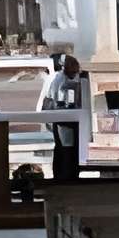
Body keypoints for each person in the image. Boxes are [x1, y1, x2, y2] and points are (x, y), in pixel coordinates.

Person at [40, 50, 87, 184]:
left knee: (63, 148)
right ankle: (66, 175)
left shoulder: (59, 78)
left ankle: (63, 174)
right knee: (66, 148)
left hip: (61, 118)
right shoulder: (61, 80)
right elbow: (61, 99)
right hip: (64, 119)